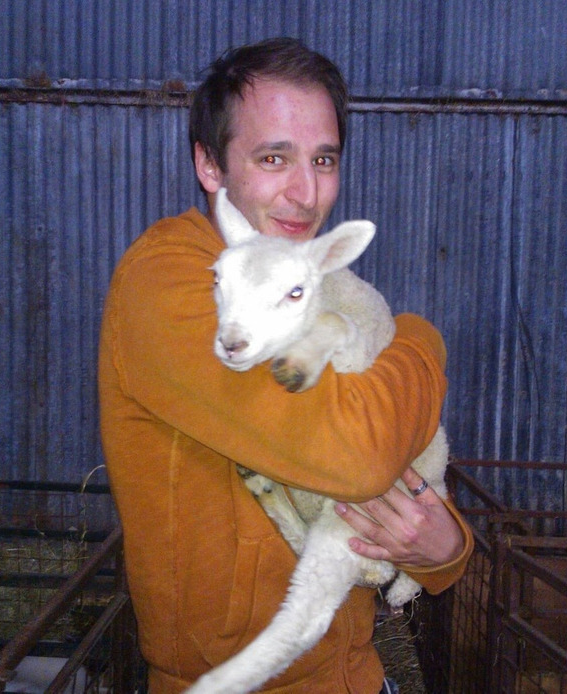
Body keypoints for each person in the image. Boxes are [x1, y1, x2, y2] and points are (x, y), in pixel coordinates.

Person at [99, 37, 473, 694]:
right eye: (274, 158)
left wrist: (444, 550)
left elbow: (398, 453)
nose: (306, 193)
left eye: (323, 159)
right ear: (209, 165)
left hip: (356, 672)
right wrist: (422, 341)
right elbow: (357, 453)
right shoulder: (171, 284)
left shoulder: (303, 279)